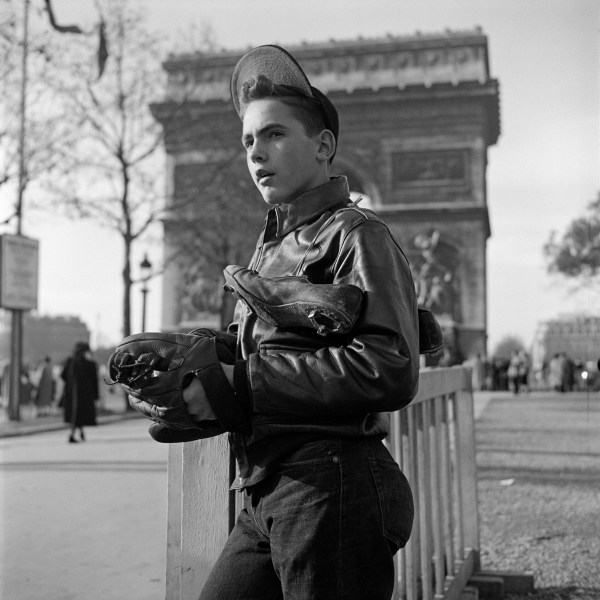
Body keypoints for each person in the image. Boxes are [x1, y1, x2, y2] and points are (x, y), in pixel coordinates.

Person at [133, 44, 419, 599]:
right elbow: (268, 356)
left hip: (333, 488)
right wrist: (192, 367)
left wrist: (242, 383)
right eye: (247, 140)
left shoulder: (359, 236)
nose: (256, 153)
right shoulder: (269, 252)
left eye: (275, 135)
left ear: (324, 145)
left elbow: (391, 365)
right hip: (267, 490)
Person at [61, 342, 99, 443]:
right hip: (84, 395)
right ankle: (72, 434)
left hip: (71, 393)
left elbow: (63, 375)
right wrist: (95, 395)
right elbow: (94, 380)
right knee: (78, 414)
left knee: (76, 414)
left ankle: (79, 432)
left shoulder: (70, 361)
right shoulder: (89, 364)